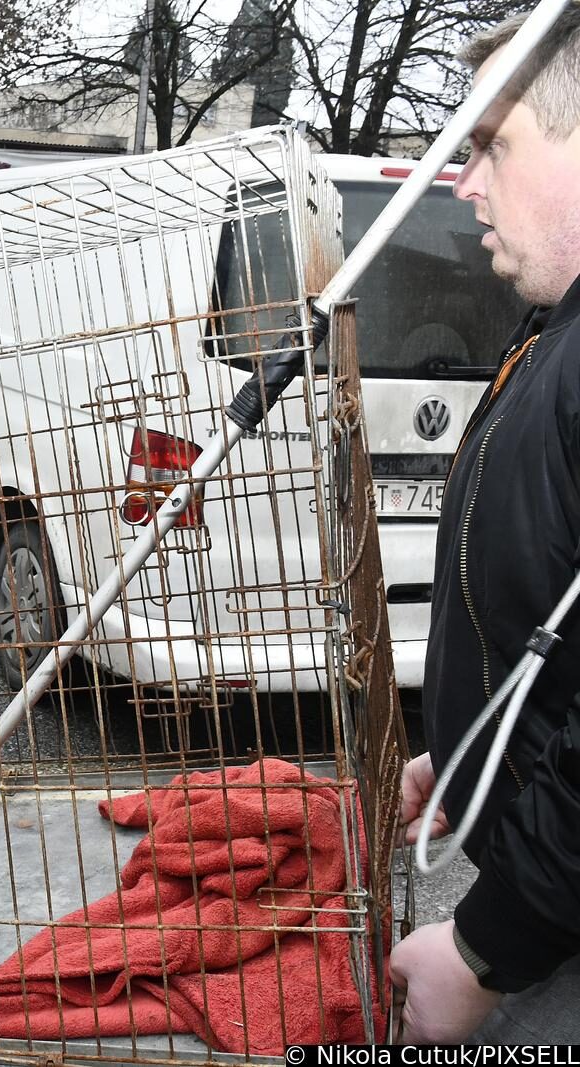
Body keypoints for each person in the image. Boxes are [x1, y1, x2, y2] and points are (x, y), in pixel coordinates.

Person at [391, 8, 580, 1044]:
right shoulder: (548, 329)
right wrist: (464, 756)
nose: (464, 183)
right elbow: (529, 590)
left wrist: (482, 945)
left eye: (491, 144)